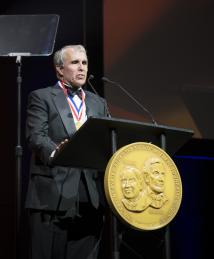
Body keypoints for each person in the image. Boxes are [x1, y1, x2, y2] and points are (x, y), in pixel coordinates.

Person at [25, 44, 110, 259]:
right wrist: (57, 152)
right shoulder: (42, 97)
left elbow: (107, 141)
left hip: (90, 197)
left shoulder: (98, 102)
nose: (81, 68)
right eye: (75, 63)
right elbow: (36, 136)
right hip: (53, 193)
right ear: (60, 69)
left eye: (84, 63)